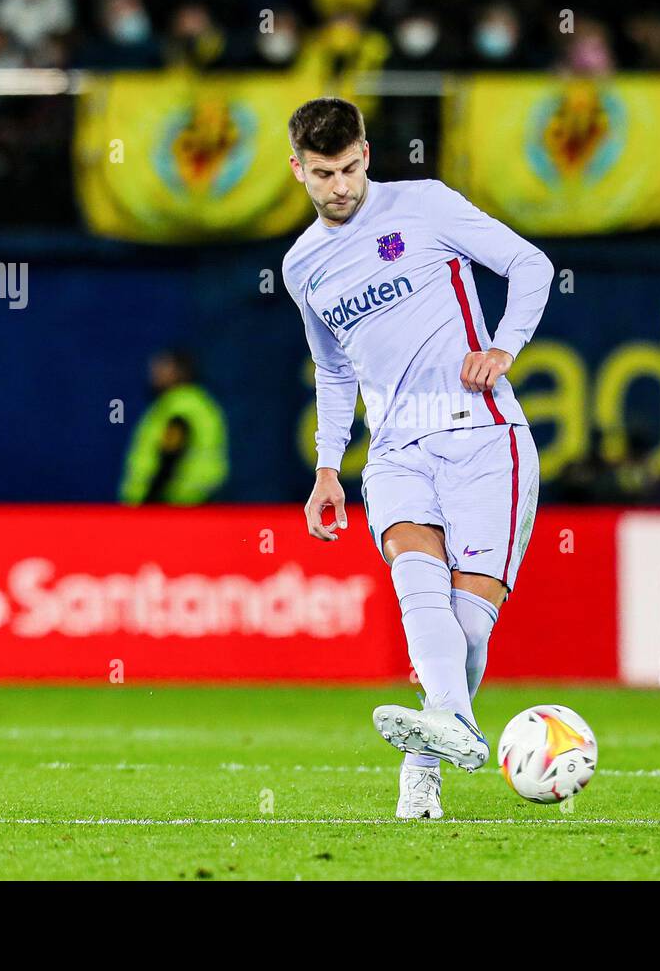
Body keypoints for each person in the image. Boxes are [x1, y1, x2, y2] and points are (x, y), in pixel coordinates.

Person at [282, 97, 552, 820]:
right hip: (396, 449)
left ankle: (427, 750)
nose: (338, 186)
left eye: (347, 168)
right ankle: (451, 736)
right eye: (321, 174)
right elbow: (333, 371)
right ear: (297, 170)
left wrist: (505, 345)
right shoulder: (302, 266)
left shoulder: (425, 206)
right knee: (416, 583)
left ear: (366, 154)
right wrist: (328, 468)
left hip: (484, 435)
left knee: (466, 629)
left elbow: (530, 263)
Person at [120, 349, 228, 505]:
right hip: (193, 502)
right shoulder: (197, 403)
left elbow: (170, 454)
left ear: (179, 372)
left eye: (162, 368)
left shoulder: (180, 408)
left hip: (175, 505)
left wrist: (150, 500)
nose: (154, 373)